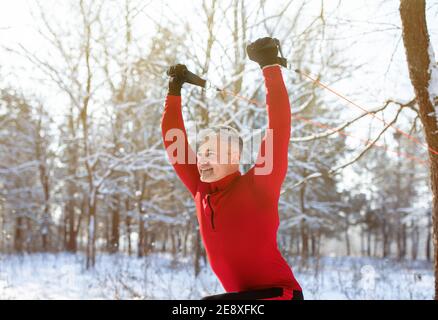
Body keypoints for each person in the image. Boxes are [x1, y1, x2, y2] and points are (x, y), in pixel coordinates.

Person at [161, 37, 303, 300]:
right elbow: (174, 141)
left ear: (234, 156)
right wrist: (174, 90)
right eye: (201, 154)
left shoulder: (260, 184)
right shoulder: (201, 190)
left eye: (211, 154)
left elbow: (278, 130)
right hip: (244, 299)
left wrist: (270, 66)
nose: (201, 161)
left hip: (279, 296)